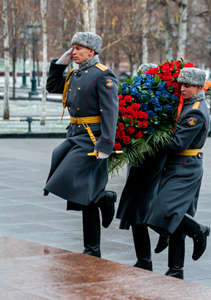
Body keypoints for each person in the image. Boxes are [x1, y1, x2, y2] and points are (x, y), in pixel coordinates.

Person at [44, 32, 119, 257]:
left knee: (68, 180)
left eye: (78, 48)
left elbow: (110, 111)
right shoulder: (76, 74)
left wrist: (106, 145)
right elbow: (52, 87)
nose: (74, 52)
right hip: (74, 135)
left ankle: (103, 198)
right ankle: (92, 248)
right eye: (73, 48)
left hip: (92, 139)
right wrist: (59, 65)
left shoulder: (102, 75)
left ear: (92, 51)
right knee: (81, 193)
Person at [145, 67, 211, 280]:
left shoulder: (195, 111)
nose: (182, 88)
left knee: (164, 211)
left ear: (199, 87)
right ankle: (175, 268)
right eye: (181, 84)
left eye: (187, 85)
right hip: (177, 165)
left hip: (185, 167)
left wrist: (149, 137)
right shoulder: (186, 105)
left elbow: (178, 143)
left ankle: (198, 230)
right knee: (174, 220)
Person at [116, 63, 164, 272]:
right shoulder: (137, 98)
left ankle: (170, 230)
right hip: (138, 159)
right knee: (136, 210)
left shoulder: (162, 102)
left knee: (142, 208)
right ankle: (144, 259)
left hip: (152, 160)